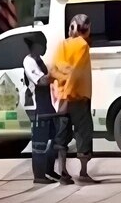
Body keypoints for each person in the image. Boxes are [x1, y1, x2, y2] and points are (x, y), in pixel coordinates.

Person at [50, 14, 99, 185]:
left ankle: (63, 172)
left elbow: (55, 68)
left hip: (62, 98)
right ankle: (83, 173)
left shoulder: (62, 45)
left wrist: (63, 90)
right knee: (83, 133)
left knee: (61, 135)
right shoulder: (83, 45)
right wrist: (72, 88)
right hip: (77, 97)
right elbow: (78, 72)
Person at [22, 33, 59, 184]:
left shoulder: (39, 61)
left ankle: (48, 169)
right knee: (39, 142)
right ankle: (39, 175)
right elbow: (41, 81)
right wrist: (57, 73)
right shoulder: (29, 61)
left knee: (56, 139)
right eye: (42, 45)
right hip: (36, 107)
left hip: (47, 106)